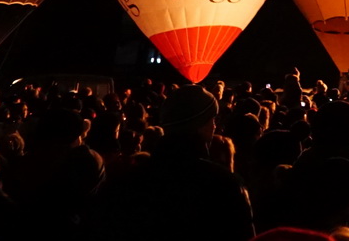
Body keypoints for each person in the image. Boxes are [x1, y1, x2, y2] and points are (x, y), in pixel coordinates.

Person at [94, 87, 252, 241]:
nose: (215, 126)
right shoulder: (224, 185)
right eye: (212, 120)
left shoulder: (124, 179)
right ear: (200, 123)